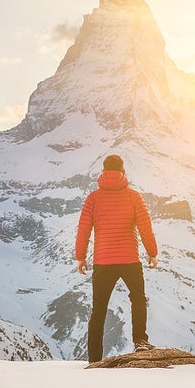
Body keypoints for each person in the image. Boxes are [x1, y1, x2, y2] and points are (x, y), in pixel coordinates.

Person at [75, 154, 159, 363]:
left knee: (99, 309)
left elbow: (83, 230)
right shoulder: (133, 196)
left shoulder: (93, 198)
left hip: (103, 262)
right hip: (130, 260)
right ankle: (140, 340)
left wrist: (80, 257)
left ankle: (94, 358)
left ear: (103, 171)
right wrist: (152, 253)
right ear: (123, 171)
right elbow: (145, 228)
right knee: (138, 299)